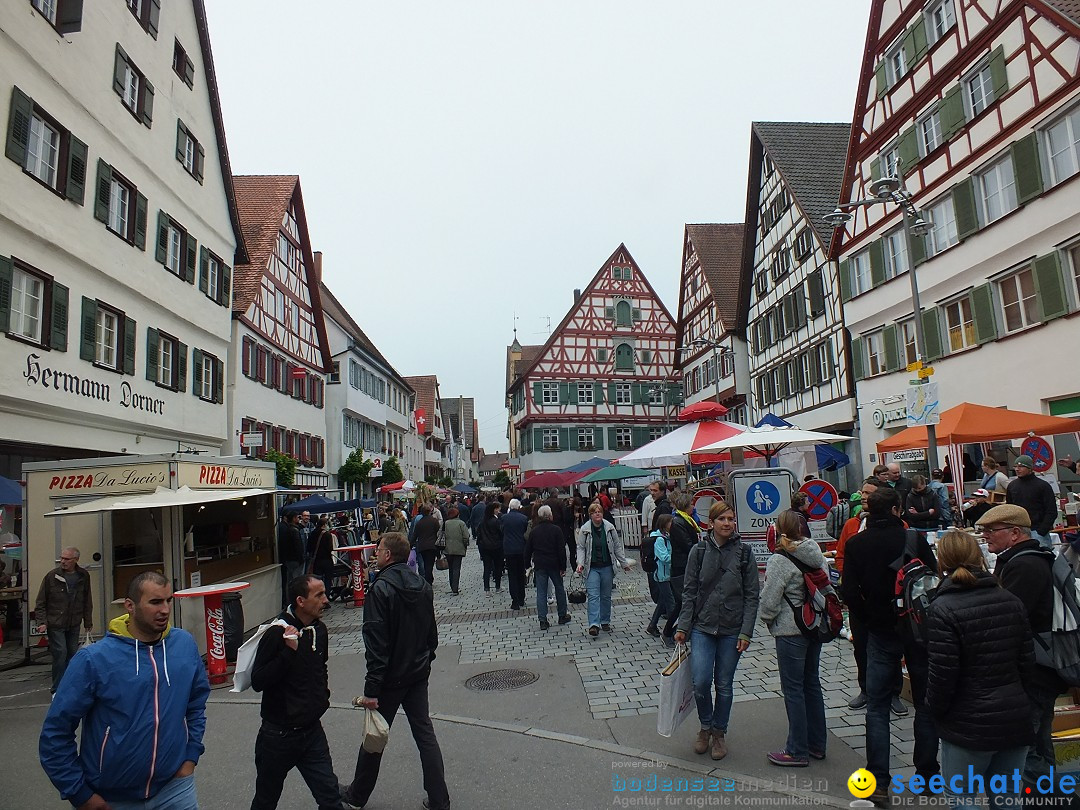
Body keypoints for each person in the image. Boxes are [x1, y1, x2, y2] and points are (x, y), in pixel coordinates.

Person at [39, 571, 209, 810]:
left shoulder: (183, 645)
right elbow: (56, 731)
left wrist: (190, 757)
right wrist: (80, 794)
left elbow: (196, 704)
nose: (165, 610)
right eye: (155, 602)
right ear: (130, 605)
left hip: (175, 790)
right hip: (112, 798)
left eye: (168, 600)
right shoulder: (94, 659)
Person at [840, 488, 939, 804]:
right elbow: (933, 578)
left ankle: (880, 781)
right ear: (898, 509)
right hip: (916, 629)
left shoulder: (857, 544)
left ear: (869, 510)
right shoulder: (914, 540)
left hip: (880, 630)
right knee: (924, 702)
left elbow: (849, 593)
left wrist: (869, 617)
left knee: (878, 707)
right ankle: (926, 776)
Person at [925, 530, 1032, 810]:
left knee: (962, 798)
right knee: (1008, 799)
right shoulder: (1010, 600)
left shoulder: (942, 608)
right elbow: (1026, 664)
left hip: (967, 722)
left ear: (942, 561)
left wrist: (934, 712)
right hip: (1013, 716)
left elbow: (942, 674)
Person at [341, 533, 450, 810]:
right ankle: (439, 799)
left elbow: (376, 644)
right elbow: (431, 635)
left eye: (378, 550)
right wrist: (425, 661)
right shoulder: (422, 585)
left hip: (390, 678)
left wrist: (371, 689)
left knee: (374, 736)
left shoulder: (380, 589)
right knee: (425, 734)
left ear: (388, 555)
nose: (375, 554)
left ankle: (357, 794)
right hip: (416, 673)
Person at [976, 503, 1064, 795]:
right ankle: (1048, 796)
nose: (986, 535)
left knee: (1027, 747)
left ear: (1015, 533)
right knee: (1038, 741)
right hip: (1036, 668)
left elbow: (1008, 619)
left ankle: (1043, 798)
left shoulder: (1025, 565)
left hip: (1034, 671)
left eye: (992, 530)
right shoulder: (1018, 559)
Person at [249, 575, 344, 810]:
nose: (326, 600)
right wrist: (288, 652)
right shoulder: (276, 633)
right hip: (278, 736)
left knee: (330, 798)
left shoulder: (319, 629)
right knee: (266, 801)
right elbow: (258, 680)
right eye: (319, 595)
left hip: (311, 732)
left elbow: (320, 667)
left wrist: (322, 697)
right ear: (300, 600)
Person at [673, 500, 758, 762]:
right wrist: (683, 626)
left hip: (732, 628)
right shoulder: (698, 552)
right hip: (703, 626)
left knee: (724, 685)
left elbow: (752, 596)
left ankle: (719, 733)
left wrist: (746, 632)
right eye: (722, 519)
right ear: (711, 523)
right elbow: (689, 592)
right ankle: (705, 726)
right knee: (700, 682)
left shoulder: (744, 553)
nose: (727, 523)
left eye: (731, 519)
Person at [758, 511, 828, 767]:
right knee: (812, 685)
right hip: (814, 626)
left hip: (790, 630)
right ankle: (817, 744)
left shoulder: (780, 558)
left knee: (794, 690)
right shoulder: (815, 553)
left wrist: (768, 620)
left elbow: (769, 600)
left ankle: (796, 750)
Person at [835, 478, 880, 709]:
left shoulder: (895, 526)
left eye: (869, 493)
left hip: (883, 599)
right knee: (860, 646)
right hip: (858, 598)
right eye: (863, 492)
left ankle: (891, 692)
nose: (863, 497)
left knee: (887, 646)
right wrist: (849, 578)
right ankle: (865, 689)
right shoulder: (851, 525)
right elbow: (840, 555)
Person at [34, 546, 93, 695]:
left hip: (74, 621)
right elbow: (41, 600)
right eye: (62, 558)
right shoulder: (52, 577)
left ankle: (70, 685)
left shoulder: (83, 576)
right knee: (60, 653)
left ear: (76, 560)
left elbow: (87, 599)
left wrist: (88, 621)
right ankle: (57, 689)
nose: (63, 561)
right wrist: (42, 621)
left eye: (67, 559)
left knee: (72, 654)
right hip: (56, 622)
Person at [575, 502, 632, 637]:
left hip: (607, 566)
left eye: (599, 511)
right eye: (595, 512)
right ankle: (594, 624)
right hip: (592, 567)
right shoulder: (585, 529)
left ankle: (605, 620)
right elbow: (581, 547)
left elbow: (617, 547)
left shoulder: (609, 528)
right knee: (594, 596)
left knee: (606, 596)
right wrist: (580, 563)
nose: (598, 514)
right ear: (590, 515)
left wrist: (624, 563)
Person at [661, 492, 700, 644]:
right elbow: (687, 545)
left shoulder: (685, 520)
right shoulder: (678, 522)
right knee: (683, 602)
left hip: (684, 566)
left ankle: (672, 631)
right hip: (681, 568)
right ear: (685, 506)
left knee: (681, 602)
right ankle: (671, 631)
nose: (693, 506)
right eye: (691, 504)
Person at [525, 505, 570, 630]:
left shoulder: (534, 531)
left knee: (541, 592)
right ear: (550, 515)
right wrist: (563, 566)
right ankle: (562, 615)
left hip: (540, 564)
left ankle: (543, 620)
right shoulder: (556, 530)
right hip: (554, 564)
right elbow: (561, 550)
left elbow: (528, 549)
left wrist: (527, 565)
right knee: (559, 588)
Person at [1006, 454, 1058, 547]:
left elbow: (1051, 511)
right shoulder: (1012, 486)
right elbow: (1009, 509)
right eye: (1015, 466)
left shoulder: (1043, 486)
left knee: (1042, 559)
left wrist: (1042, 531)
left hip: (1037, 532)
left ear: (1030, 468)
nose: (1017, 469)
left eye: (1021, 466)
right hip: (1019, 532)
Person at [646, 514, 675, 643]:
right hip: (662, 575)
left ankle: (652, 625)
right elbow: (664, 557)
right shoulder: (659, 540)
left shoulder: (667, 537)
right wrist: (676, 557)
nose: (673, 525)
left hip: (668, 574)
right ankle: (670, 632)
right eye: (671, 523)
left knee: (663, 600)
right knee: (671, 604)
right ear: (664, 525)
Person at [502, 498, 529, 610]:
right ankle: (522, 598)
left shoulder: (503, 518)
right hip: (521, 549)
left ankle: (515, 601)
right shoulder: (524, 518)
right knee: (521, 574)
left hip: (508, 550)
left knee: (512, 575)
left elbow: (501, 531)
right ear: (518, 507)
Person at [277, 512, 305, 607]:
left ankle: (290, 602)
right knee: (296, 581)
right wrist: (301, 558)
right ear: (293, 518)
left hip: (289, 559)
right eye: (297, 517)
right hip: (295, 560)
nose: (299, 519)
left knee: (290, 581)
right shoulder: (294, 530)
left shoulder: (288, 529)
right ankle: (294, 603)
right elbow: (298, 546)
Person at [477, 501, 504, 594]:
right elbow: (501, 533)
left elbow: (479, 534)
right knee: (497, 567)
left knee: (487, 568)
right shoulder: (496, 521)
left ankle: (487, 588)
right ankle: (497, 586)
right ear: (493, 510)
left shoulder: (482, 522)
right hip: (496, 547)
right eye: (497, 509)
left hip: (485, 547)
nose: (499, 510)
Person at [442, 507, 470, 594]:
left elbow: (441, 534)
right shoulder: (461, 523)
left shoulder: (446, 523)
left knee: (450, 568)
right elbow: (466, 536)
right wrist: (465, 544)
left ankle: (452, 585)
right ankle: (455, 588)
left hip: (448, 549)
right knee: (456, 568)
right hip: (459, 549)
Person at [307, 517, 336, 594]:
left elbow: (309, 548)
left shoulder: (312, 534)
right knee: (328, 579)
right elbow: (330, 548)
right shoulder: (327, 535)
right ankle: (326, 596)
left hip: (316, 560)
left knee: (317, 579)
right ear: (324, 525)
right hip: (326, 559)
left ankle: (318, 595)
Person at [413, 504, 440, 585]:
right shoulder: (434, 521)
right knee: (430, 563)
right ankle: (429, 578)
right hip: (432, 545)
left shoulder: (419, 523)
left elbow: (415, 535)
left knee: (425, 562)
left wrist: (410, 544)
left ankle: (429, 578)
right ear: (429, 512)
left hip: (422, 546)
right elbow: (437, 531)